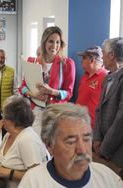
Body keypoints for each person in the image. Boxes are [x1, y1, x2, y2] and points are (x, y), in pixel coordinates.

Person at [19, 103, 123, 188]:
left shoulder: (108, 178)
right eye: (71, 142)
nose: (82, 150)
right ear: (49, 145)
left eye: (86, 139)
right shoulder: (33, 182)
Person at [19, 26, 75, 133]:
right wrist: (32, 94)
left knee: (52, 146)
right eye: (51, 41)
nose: (54, 46)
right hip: (36, 112)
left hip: (56, 112)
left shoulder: (67, 64)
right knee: (36, 145)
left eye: (58, 42)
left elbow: (69, 93)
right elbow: (22, 88)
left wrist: (52, 91)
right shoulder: (32, 61)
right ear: (44, 42)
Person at [0, 96, 48, 188]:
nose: (1, 119)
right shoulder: (8, 135)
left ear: (12, 120)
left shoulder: (28, 140)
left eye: (3, 114)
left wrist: (8, 173)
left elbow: (37, 178)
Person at [93, 38, 123, 170]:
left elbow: (121, 119)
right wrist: (97, 138)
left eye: (103, 53)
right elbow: (99, 110)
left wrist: (105, 147)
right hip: (102, 145)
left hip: (116, 151)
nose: (102, 57)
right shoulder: (107, 77)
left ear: (111, 55)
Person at [76, 46, 107, 128]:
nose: (81, 61)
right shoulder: (85, 75)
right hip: (79, 123)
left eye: (84, 58)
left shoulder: (105, 77)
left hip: (94, 128)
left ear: (92, 60)